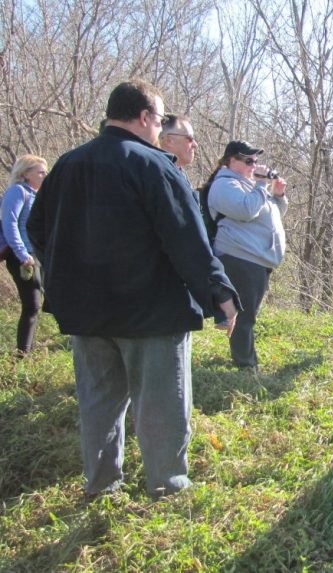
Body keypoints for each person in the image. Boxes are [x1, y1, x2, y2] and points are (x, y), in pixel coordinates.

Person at [27, 79, 240, 499]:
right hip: (151, 313)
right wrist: (220, 293)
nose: (160, 129)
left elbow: (37, 229)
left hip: (87, 313)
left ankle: (101, 487)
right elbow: (186, 239)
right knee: (161, 407)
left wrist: (66, 278)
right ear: (144, 117)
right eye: (159, 120)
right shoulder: (154, 165)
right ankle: (168, 487)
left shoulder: (67, 164)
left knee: (99, 404)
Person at [205, 140, 288, 369]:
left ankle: (245, 360)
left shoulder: (249, 186)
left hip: (256, 259)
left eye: (256, 161)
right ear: (230, 160)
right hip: (239, 256)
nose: (254, 165)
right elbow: (246, 211)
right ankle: (246, 366)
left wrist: (278, 196)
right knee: (244, 316)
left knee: (248, 313)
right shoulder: (224, 185)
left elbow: (272, 215)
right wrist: (261, 183)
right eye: (248, 160)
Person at [1, 154, 47, 355]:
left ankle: (29, 347)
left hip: (36, 254)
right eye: (40, 172)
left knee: (38, 302)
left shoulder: (37, 194)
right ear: (26, 174)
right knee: (32, 304)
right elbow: (10, 224)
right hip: (22, 256)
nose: (45, 175)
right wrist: (22, 254)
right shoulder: (17, 191)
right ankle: (22, 354)